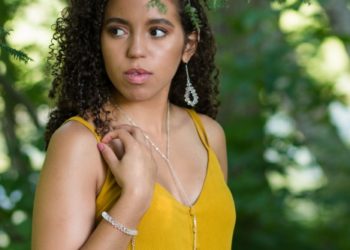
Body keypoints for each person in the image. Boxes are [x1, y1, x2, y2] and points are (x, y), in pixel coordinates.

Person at [31, 0, 236, 249]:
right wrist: (134, 200)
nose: (136, 50)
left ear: (188, 46)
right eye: (117, 31)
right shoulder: (79, 142)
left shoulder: (209, 135)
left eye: (157, 31)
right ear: (98, 41)